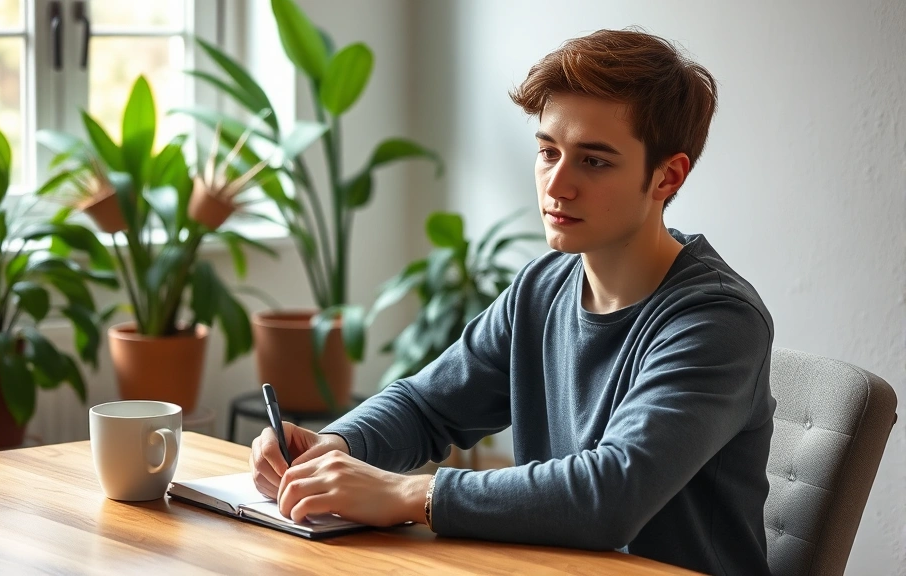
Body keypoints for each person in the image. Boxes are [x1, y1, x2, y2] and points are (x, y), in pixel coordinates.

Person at [249, 27, 775, 575]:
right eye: (548, 152)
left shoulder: (718, 320)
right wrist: (334, 446)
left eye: (594, 161)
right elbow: (428, 405)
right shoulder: (542, 287)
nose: (557, 185)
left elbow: (612, 494)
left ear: (667, 176)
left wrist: (414, 495)